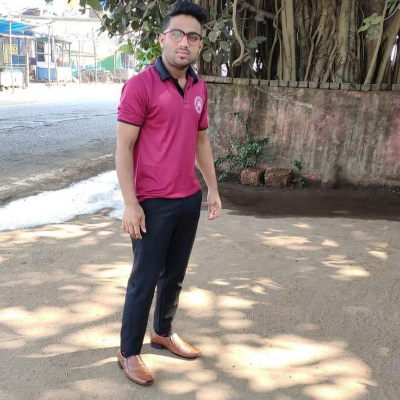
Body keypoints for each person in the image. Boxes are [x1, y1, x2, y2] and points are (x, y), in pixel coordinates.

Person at [115, 0, 222, 386]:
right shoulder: (140, 86)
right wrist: (131, 204)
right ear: (163, 38)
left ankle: (162, 331)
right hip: (152, 202)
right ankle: (128, 352)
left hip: (187, 198)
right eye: (177, 33)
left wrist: (212, 188)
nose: (184, 42)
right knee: (144, 278)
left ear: (200, 45)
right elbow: (123, 147)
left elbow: (201, 141)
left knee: (174, 274)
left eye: (193, 37)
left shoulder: (198, 86)